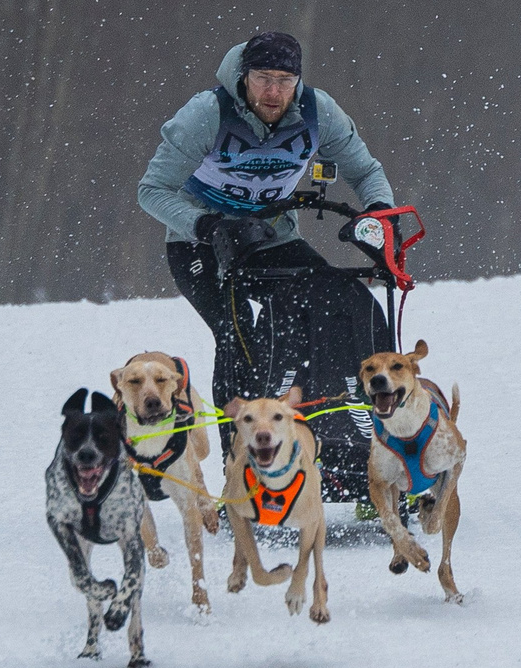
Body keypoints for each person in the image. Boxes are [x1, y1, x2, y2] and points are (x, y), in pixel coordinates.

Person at [137, 31, 396, 497]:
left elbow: (365, 170)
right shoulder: (207, 114)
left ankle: (362, 447)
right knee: (241, 334)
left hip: (272, 238)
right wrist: (208, 225)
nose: (274, 92)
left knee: (351, 302)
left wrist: (378, 213)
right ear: (244, 77)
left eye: (285, 80)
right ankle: (239, 470)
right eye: (263, 79)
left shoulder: (319, 112)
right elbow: (151, 190)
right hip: (199, 243)